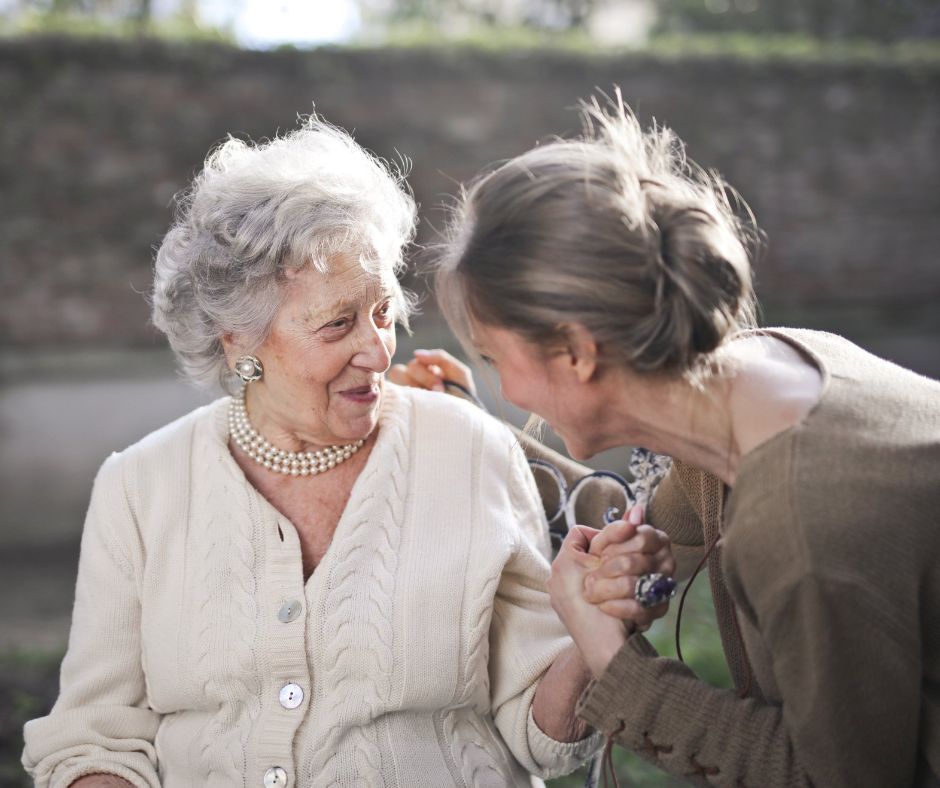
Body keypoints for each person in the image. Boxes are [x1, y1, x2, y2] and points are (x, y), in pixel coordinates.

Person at [20, 118, 616, 788]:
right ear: (238, 341)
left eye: (383, 313)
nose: (377, 349)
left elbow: (544, 738)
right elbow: (94, 737)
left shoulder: (469, 452)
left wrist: (593, 634)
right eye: (338, 324)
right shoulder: (139, 487)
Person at [414, 95, 940, 786]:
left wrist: (615, 665)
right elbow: (631, 518)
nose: (504, 389)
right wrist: (462, 423)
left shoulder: (802, 523)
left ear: (574, 351)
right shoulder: (762, 376)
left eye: (492, 359)